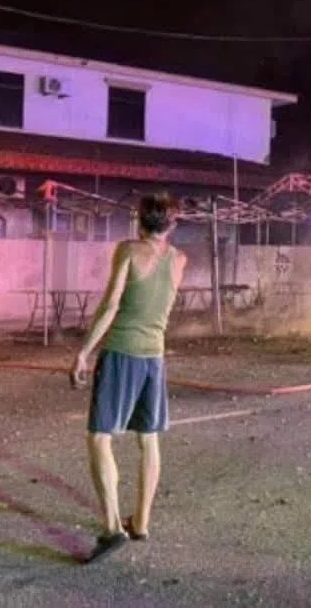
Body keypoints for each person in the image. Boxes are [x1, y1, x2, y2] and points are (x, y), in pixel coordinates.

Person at [70, 193, 187, 564]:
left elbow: (111, 305)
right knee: (148, 439)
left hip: (122, 351)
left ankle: (112, 529)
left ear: (139, 221)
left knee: (99, 437)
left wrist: (84, 352)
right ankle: (141, 522)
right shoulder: (179, 259)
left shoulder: (128, 251)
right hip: (155, 356)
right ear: (172, 224)